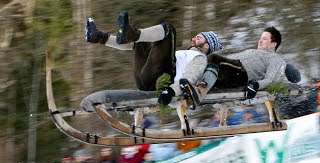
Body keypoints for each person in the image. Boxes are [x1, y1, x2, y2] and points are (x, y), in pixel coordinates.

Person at [85, 11, 223, 107]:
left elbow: (191, 77)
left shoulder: (200, 58)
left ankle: (130, 34)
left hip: (163, 81)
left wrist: (171, 91)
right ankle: (99, 37)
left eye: (199, 37)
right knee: (143, 41)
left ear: (207, 45)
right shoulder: (185, 54)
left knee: (169, 30)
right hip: (145, 79)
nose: (194, 38)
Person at [180, 26, 301, 109]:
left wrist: (256, 85)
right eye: (260, 37)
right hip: (227, 69)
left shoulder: (276, 59)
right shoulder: (253, 51)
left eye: (264, 38)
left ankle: (199, 92)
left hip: (241, 73)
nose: (260, 40)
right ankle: (181, 85)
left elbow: (271, 79)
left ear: (274, 43)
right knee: (198, 59)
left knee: (214, 58)